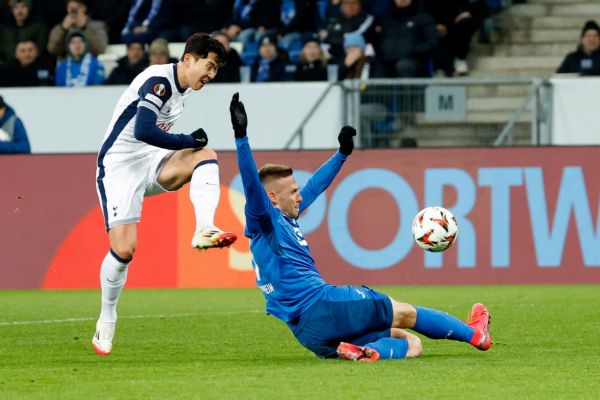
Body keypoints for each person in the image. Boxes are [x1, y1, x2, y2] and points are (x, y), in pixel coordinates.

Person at [229, 92, 492, 361]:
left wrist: (341, 154)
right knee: (405, 313)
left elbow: (315, 187)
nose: (300, 196)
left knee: (411, 343)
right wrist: (241, 137)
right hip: (324, 304)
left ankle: (369, 352)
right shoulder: (264, 219)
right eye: (293, 191)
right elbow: (252, 185)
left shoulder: (283, 217)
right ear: (272, 197)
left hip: (308, 333)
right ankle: (476, 335)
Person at [92, 33, 237, 356]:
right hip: (119, 167)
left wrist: (189, 144)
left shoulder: (183, 91)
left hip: (151, 160)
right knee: (125, 250)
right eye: (209, 66)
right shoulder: (159, 80)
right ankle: (107, 316)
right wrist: (186, 138)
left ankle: (204, 228)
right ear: (188, 59)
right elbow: (143, 129)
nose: (211, 75)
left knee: (205, 155)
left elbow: (153, 138)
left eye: (215, 70)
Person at [0, 0, 48, 64]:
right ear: (12, 10)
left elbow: (40, 48)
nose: (19, 11)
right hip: (10, 66)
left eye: (23, 7)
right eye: (16, 7)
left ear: (29, 9)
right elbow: (5, 49)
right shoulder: (6, 29)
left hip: (34, 65)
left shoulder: (39, 28)